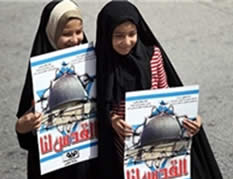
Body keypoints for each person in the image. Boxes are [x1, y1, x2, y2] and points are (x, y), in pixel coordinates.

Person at [95, 1, 222, 179]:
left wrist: (192, 118)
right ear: (106, 35)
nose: (126, 42)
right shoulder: (100, 62)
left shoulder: (152, 56)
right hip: (123, 147)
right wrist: (112, 119)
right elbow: (97, 102)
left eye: (132, 34)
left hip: (158, 140)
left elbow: (166, 93)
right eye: (118, 36)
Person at [15, 0, 97, 178]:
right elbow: (24, 131)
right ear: (51, 33)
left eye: (79, 32)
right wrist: (24, 125)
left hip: (87, 165)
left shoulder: (91, 63)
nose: (75, 40)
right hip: (53, 169)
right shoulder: (39, 73)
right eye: (67, 34)